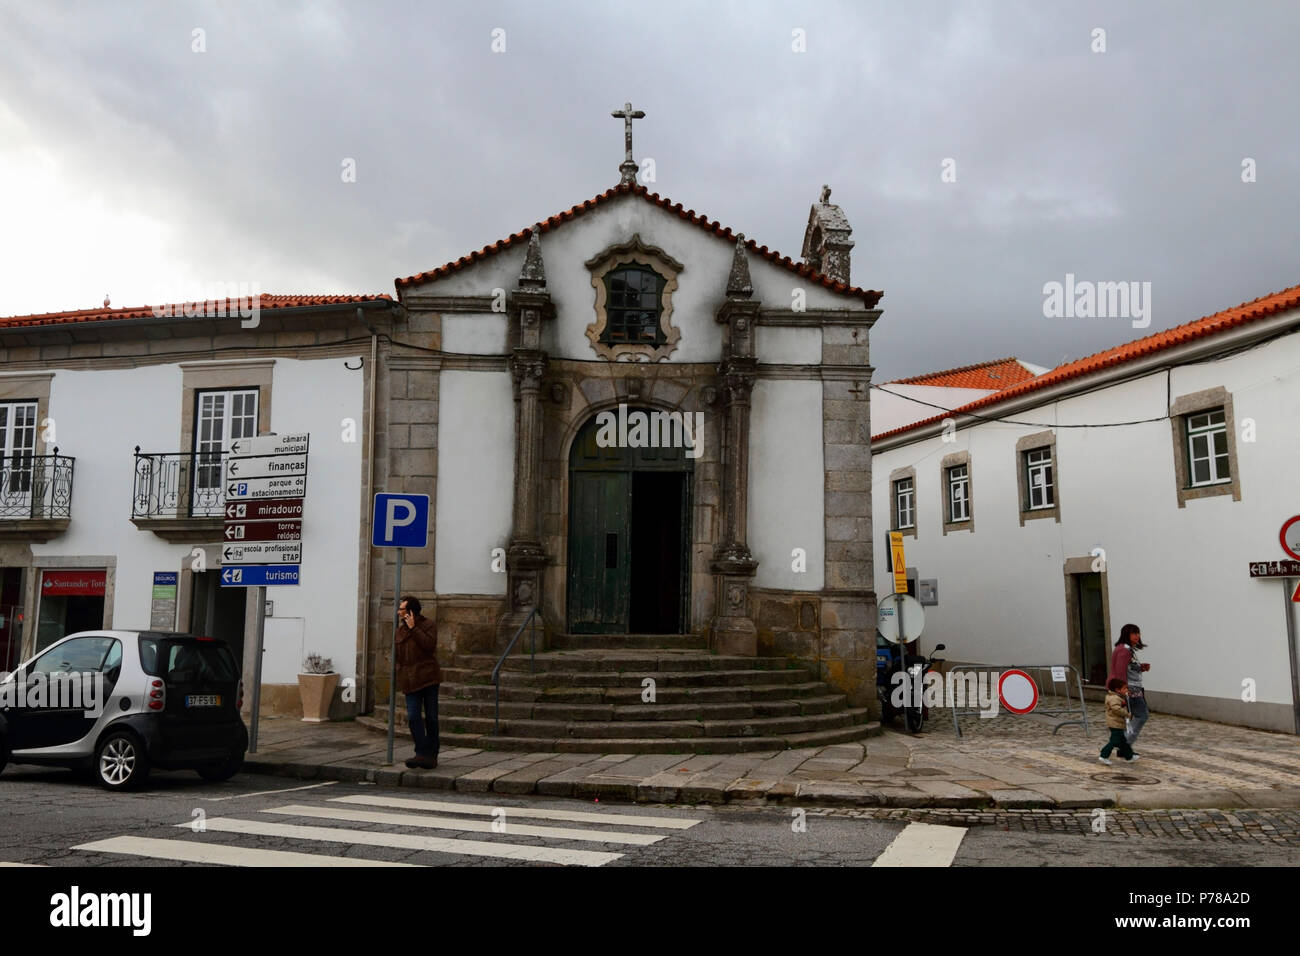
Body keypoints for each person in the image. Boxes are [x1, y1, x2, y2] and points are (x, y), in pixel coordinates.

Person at [395, 595, 441, 769]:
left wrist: (414, 629)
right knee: (413, 717)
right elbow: (398, 655)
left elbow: (429, 646)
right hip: (409, 679)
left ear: (411, 612)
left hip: (428, 678)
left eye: (402, 610)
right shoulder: (399, 631)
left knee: (431, 718)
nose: (399, 612)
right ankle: (421, 753)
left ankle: (432, 755)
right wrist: (399, 670)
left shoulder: (428, 625)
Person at [1110, 624, 1151, 751]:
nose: (1137, 636)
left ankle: (1124, 744)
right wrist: (1123, 690)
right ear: (1126, 634)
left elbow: (1128, 668)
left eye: (1138, 633)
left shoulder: (1128, 649)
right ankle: (1124, 744)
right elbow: (1120, 671)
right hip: (1130, 689)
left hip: (1133, 687)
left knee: (1136, 716)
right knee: (1141, 715)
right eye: (1134, 633)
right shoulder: (1124, 650)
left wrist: (1140, 668)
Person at [1099, 678, 1136, 765]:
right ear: (1117, 690)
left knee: (1122, 741)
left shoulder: (1118, 697)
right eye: (1125, 688)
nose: (1127, 690)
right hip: (1115, 723)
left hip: (1117, 723)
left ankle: (1129, 756)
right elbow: (1116, 709)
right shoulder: (1114, 698)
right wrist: (1127, 714)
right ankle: (1104, 755)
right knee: (1114, 741)